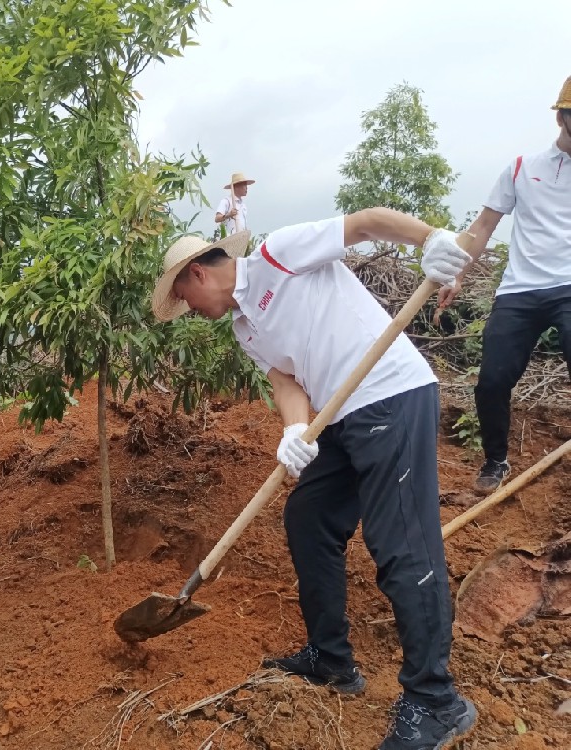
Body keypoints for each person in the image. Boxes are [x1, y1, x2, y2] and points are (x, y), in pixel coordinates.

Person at [152, 209, 476, 749]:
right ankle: (331, 659)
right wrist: (296, 429)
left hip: (390, 395)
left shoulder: (279, 255)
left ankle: (436, 700)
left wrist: (431, 239)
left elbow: (366, 223)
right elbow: (287, 380)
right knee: (308, 517)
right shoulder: (242, 325)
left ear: (197, 275)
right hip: (340, 415)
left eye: (183, 298)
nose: (188, 309)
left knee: (399, 543)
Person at [438, 75, 571, 494]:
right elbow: (482, 226)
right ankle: (495, 461)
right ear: (563, 118)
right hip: (520, 290)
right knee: (492, 380)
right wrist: (456, 274)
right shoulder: (521, 168)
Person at [214, 172, 255, 236]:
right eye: (244, 185)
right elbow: (217, 218)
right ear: (236, 187)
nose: (247, 188)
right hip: (229, 238)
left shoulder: (243, 205)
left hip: (241, 237)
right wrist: (229, 215)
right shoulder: (226, 201)